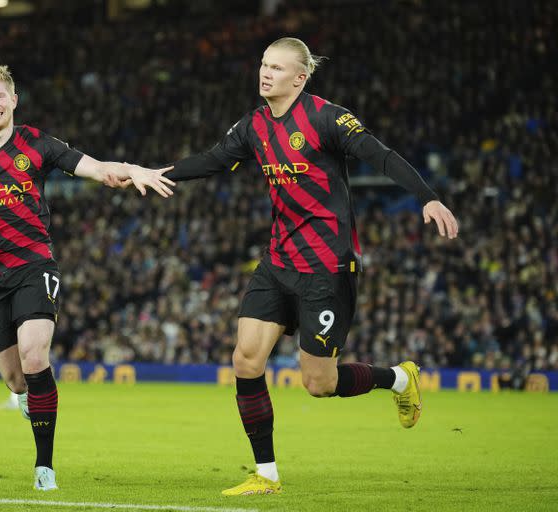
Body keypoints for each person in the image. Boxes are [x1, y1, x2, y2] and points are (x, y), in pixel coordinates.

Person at [166, 37, 459, 495]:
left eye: (277, 68)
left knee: (319, 384)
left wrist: (428, 196)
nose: (265, 73)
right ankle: (266, 474)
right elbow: (211, 161)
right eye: (263, 64)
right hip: (278, 261)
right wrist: (152, 174)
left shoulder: (326, 117)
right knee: (245, 360)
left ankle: (401, 378)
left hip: (327, 266)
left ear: (300, 78)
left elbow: (380, 155)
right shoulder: (253, 126)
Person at [0, 64, 174, 492]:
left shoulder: (37, 143)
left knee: (36, 357)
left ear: (14, 100)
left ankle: (44, 468)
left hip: (34, 266)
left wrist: (131, 169)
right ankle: (27, 397)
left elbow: (92, 166)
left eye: (0, 96)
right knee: (17, 379)